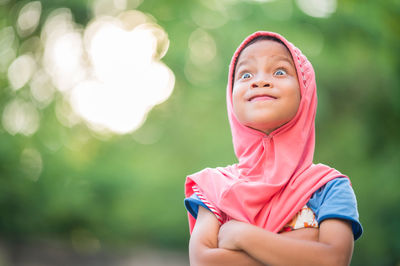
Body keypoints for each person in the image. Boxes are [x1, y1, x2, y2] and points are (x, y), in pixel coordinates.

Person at [184, 31, 362, 265]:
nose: (260, 81)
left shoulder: (328, 186)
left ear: (304, 92)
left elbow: (333, 259)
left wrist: (241, 235)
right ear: (230, 95)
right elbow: (204, 261)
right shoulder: (214, 188)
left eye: (279, 71)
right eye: (246, 74)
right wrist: (304, 243)